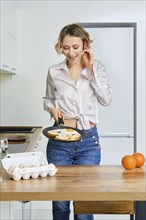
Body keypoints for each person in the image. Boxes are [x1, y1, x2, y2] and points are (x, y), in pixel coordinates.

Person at [43, 23, 112, 220]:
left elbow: (106, 100)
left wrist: (90, 70)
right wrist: (52, 108)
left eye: (75, 47)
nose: (71, 52)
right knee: (61, 204)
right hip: (59, 141)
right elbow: (48, 99)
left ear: (85, 45)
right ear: (60, 46)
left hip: (88, 142)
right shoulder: (54, 71)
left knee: (83, 205)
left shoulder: (96, 68)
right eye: (65, 47)